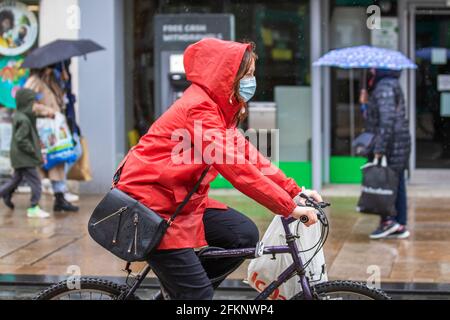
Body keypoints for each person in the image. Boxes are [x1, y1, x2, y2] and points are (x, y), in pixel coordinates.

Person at [115, 38, 323, 300]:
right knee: (199, 297)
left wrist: (294, 192)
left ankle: (178, 293)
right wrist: (289, 208)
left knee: (242, 235)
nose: (252, 81)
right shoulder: (199, 108)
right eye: (247, 75)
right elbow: (236, 169)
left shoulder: (218, 111)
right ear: (227, 76)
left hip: (178, 201)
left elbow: (251, 158)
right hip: (150, 208)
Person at [363, 68, 411, 240]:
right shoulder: (388, 84)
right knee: (395, 182)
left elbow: (386, 120)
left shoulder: (384, 87)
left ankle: (389, 222)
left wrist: (379, 148)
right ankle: (398, 223)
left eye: (373, 68)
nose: (370, 70)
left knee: (387, 183)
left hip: (391, 145)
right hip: (397, 143)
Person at [25, 67, 79, 212]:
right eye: (50, 66)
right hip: (43, 129)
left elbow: (59, 100)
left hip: (56, 128)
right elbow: (27, 104)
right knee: (41, 165)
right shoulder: (33, 82)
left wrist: (64, 81)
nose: (52, 69)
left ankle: (59, 198)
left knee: (59, 160)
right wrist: (47, 111)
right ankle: (29, 200)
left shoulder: (52, 80)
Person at [0, 88, 53, 218]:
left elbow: (34, 114)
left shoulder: (21, 114)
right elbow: (20, 139)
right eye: (32, 102)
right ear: (26, 103)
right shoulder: (24, 119)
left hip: (19, 157)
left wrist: (46, 113)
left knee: (15, 180)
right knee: (36, 183)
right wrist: (33, 151)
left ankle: (5, 194)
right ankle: (34, 207)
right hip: (25, 157)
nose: (34, 104)